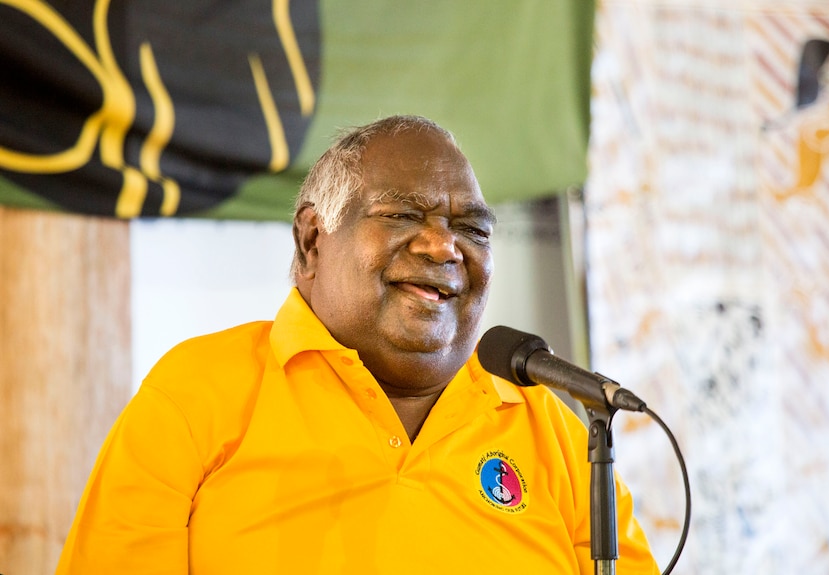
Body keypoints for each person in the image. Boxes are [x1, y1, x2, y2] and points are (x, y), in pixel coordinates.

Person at [56, 115, 660, 573]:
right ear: (313, 240)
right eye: (402, 216)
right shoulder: (197, 394)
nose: (444, 247)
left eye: (471, 228)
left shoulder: (550, 429)